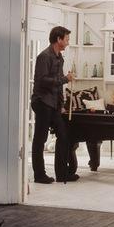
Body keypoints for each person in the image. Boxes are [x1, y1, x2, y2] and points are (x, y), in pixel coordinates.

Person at [31, 26, 79, 184]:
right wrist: (65, 79)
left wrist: (62, 104)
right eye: (66, 39)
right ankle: (39, 175)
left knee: (64, 135)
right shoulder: (44, 57)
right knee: (40, 139)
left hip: (53, 104)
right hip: (42, 102)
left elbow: (58, 85)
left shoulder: (60, 58)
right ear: (58, 39)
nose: (68, 42)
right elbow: (42, 81)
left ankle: (62, 174)